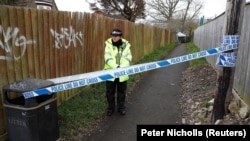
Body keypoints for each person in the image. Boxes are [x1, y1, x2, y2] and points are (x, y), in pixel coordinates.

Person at [103, 29, 132, 116]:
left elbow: (129, 57)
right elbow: (107, 58)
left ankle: (121, 108)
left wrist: (121, 67)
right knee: (110, 92)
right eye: (113, 36)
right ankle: (110, 108)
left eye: (116, 36)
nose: (114, 37)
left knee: (121, 92)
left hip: (122, 73)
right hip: (111, 73)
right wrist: (116, 67)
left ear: (120, 36)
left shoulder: (126, 45)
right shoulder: (108, 45)